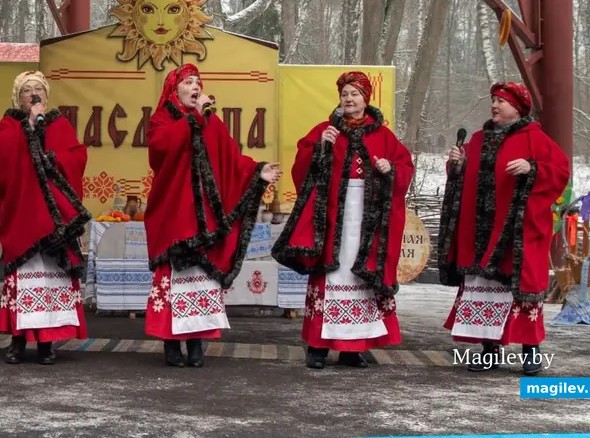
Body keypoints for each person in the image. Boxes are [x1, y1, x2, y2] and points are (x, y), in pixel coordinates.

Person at [272, 72, 414, 369]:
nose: (349, 99)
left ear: (366, 99)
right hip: (333, 217)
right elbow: (302, 167)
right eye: (345, 94)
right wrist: (320, 147)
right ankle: (318, 348)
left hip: (366, 220)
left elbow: (404, 166)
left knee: (360, 277)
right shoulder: (326, 129)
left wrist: (390, 168)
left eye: (355, 94)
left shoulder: (383, 135)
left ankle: (353, 349)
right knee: (331, 274)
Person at [144, 63, 282, 368]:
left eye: (198, 82)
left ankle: (196, 344)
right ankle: (170, 344)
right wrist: (194, 118)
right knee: (174, 276)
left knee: (201, 279)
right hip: (174, 214)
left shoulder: (211, 122)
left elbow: (232, 159)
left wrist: (258, 171)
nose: (195, 87)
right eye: (188, 82)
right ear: (174, 89)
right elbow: (161, 150)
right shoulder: (162, 120)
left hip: (204, 217)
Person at [438, 81, 570, 376]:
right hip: (480, 233)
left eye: (502, 101)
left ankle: (531, 353)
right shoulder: (477, 139)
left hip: (514, 234)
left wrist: (532, 168)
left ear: (518, 108)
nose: (495, 106)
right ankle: (489, 351)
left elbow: (560, 171)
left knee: (520, 291)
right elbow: (463, 181)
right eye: (493, 101)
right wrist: (456, 165)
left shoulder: (535, 139)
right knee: (486, 290)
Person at [0, 71, 90, 365]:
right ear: (18, 99)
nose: (34, 95)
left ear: (47, 96)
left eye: (39, 90)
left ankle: (47, 343)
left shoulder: (60, 125)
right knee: (24, 279)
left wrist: (56, 160)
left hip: (55, 219)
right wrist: (27, 130)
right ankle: (18, 340)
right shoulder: (9, 127)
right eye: (27, 91)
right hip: (25, 217)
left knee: (51, 280)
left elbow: (78, 157)